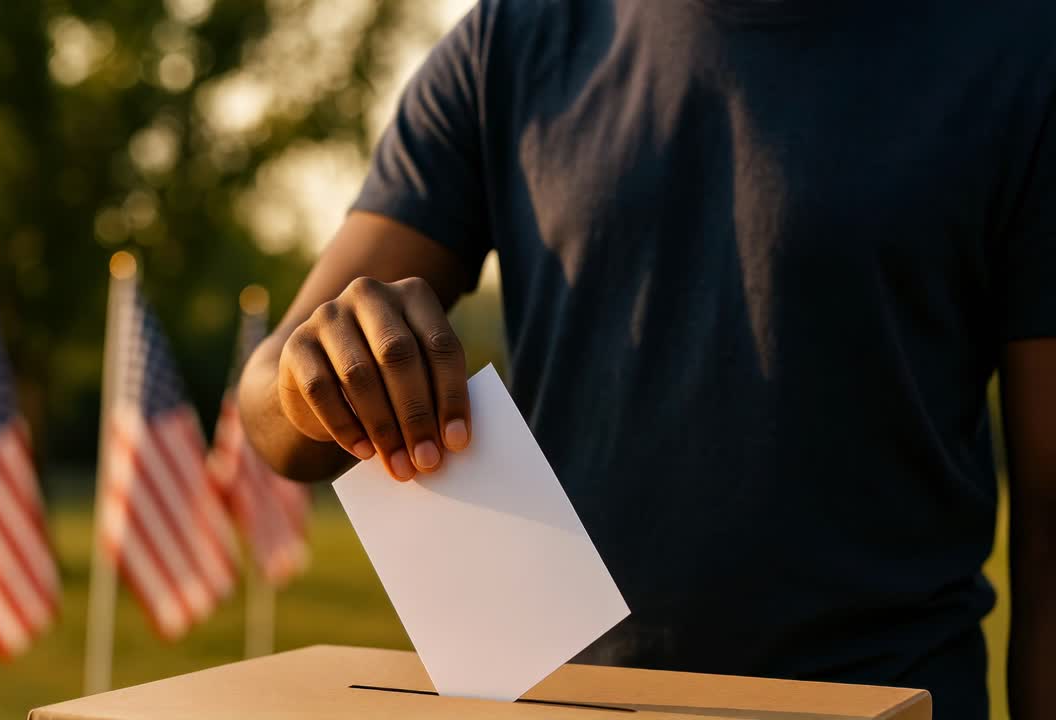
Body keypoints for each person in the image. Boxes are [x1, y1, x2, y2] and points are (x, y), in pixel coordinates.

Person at [236, 2, 1056, 718]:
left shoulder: (1019, 47)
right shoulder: (513, 38)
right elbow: (272, 413)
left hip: (886, 702)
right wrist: (317, 373)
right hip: (561, 706)